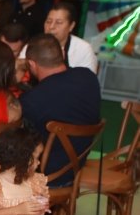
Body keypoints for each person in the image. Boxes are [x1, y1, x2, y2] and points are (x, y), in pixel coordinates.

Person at [20, 34, 101, 186]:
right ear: (63, 54)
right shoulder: (88, 77)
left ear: (31, 64)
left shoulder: (32, 100)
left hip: (44, 176)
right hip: (77, 167)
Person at [39, 2, 98, 73]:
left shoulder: (83, 49)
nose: (51, 27)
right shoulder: (35, 45)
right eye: (48, 21)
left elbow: (87, 81)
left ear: (71, 26)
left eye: (58, 22)